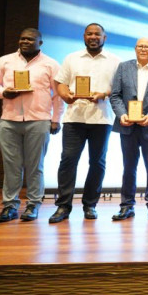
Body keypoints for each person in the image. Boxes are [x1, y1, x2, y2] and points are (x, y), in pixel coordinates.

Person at [0, 28, 63, 222]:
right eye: (22, 39)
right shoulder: (5, 61)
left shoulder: (51, 64)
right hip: (9, 121)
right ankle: (10, 206)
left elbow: (58, 95)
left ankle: (33, 205)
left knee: (35, 166)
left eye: (30, 39)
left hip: (38, 121)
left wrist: (55, 119)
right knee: (11, 166)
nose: (25, 42)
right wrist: (4, 92)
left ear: (40, 43)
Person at [49, 23, 121, 223]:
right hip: (75, 117)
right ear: (84, 36)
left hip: (101, 118)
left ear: (104, 38)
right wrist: (65, 95)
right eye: (89, 33)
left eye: (97, 34)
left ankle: (90, 205)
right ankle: (63, 206)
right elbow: (60, 82)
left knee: (97, 163)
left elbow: (118, 88)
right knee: (68, 161)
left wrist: (104, 94)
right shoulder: (71, 58)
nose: (93, 37)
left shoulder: (115, 61)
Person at [109, 38, 148, 221]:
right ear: (135, 49)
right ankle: (126, 206)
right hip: (127, 125)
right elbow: (115, 95)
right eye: (140, 46)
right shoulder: (123, 67)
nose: (143, 49)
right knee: (128, 167)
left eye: (147, 46)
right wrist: (121, 114)